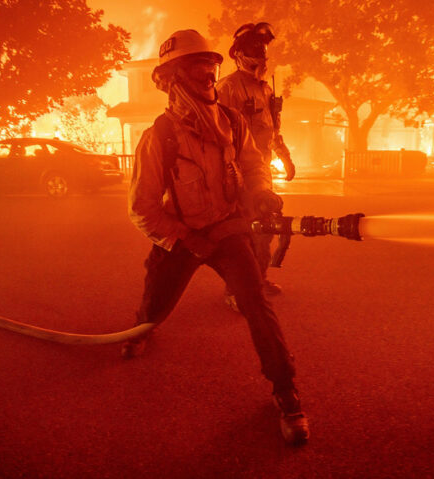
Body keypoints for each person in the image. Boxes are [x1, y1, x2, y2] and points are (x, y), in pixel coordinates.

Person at [122, 29, 309, 446]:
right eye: (196, 66)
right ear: (171, 78)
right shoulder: (159, 137)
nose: (208, 73)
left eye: (210, 65)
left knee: (257, 305)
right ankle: (139, 332)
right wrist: (186, 240)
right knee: (155, 303)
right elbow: (142, 208)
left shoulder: (232, 122)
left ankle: (285, 391)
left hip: (227, 230)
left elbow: (254, 164)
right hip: (181, 235)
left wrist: (261, 194)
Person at [216, 22, 295, 310]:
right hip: (238, 175)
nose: (261, 54)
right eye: (254, 49)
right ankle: (236, 291)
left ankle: (257, 280)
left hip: (262, 173)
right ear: (238, 53)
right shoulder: (227, 88)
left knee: (266, 229)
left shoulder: (264, 88)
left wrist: (284, 155)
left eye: (263, 49)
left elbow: (271, 128)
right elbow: (216, 134)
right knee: (242, 235)